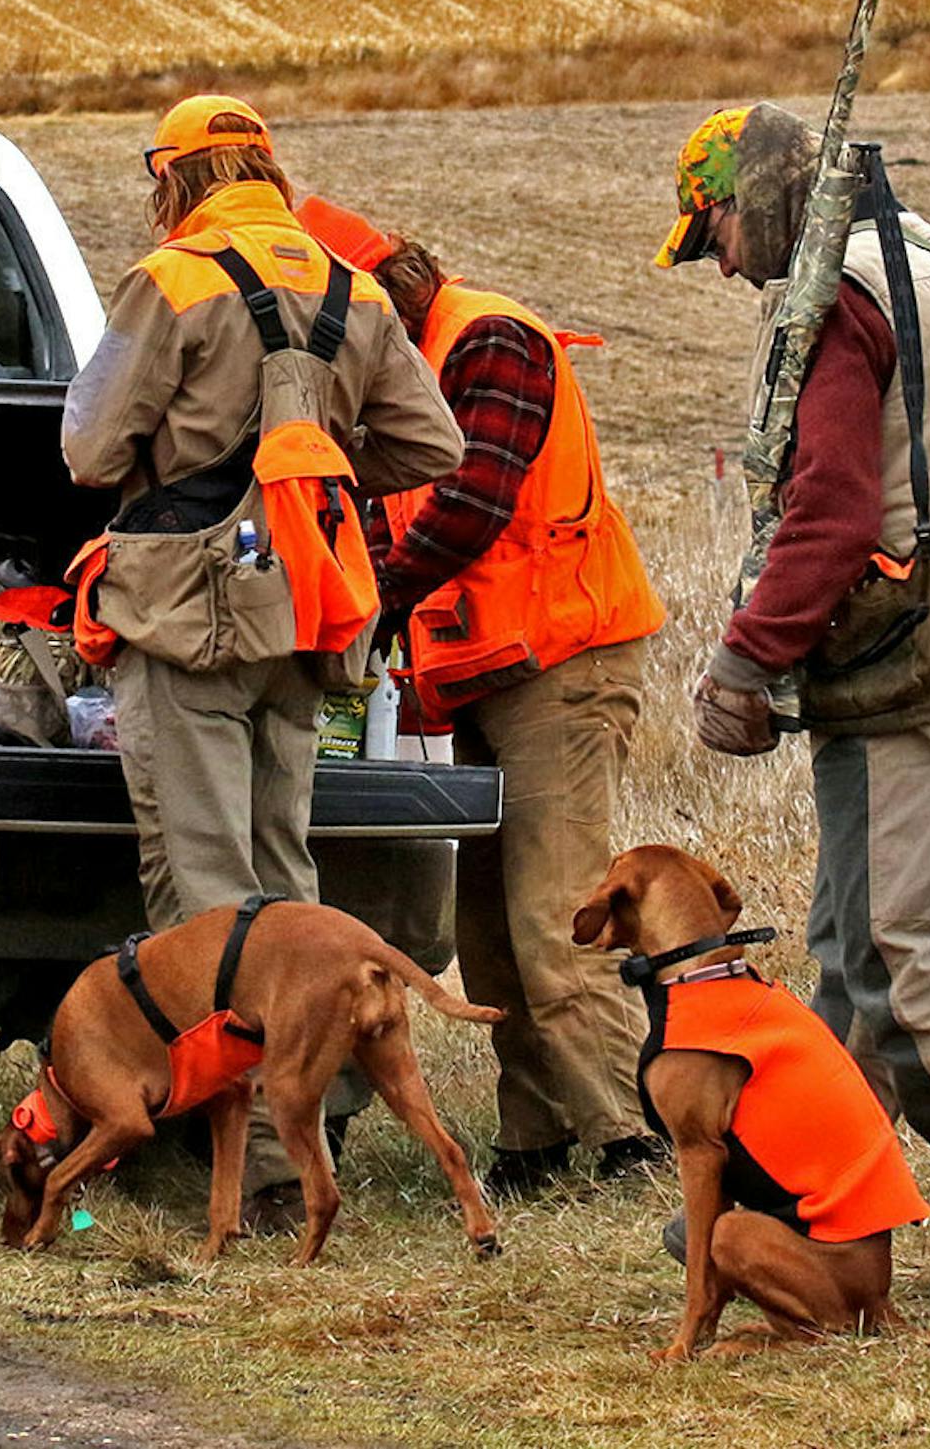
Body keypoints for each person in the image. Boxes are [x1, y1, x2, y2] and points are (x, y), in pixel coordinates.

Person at [656, 101, 930, 1296]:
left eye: (716, 237)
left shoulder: (839, 296)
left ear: (750, 202)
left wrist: (745, 657)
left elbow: (835, 512)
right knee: (853, 962)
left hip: (928, 663)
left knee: (906, 956)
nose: (726, 268)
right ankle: (778, 1199)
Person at [62, 97, 462, 1228]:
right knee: (287, 879)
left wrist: (201, 465)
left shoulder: (175, 279)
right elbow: (435, 444)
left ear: (176, 178)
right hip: (308, 611)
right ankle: (304, 1137)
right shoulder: (356, 287)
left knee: (206, 892)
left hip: (187, 616)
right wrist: (311, 469)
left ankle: (258, 1168)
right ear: (268, 172)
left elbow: (91, 450)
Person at [298, 197, 667, 1195]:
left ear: (374, 295)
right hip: (490, 673)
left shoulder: (491, 338)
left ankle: (644, 1144)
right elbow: (387, 519)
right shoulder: (404, 371)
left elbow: (471, 500)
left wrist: (375, 603)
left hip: (563, 663)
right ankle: (537, 1145)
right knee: (491, 935)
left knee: (559, 918)